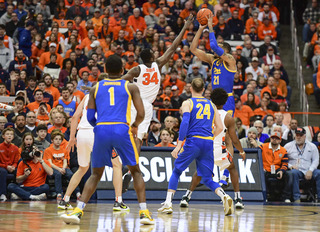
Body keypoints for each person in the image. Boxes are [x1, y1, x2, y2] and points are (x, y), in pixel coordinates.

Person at [60, 55, 154, 225]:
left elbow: (89, 116)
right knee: (136, 171)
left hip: (101, 130)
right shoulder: (130, 86)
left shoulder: (95, 87)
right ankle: (144, 213)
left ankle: (78, 211)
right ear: (122, 70)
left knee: (95, 173)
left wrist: (100, 126)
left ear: (104, 69)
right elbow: (141, 114)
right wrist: (134, 126)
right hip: (122, 129)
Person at [158, 78, 234, 216]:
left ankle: (168, 204)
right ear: (203, 90)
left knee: (176, 171)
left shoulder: (188, 103)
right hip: (207, 142)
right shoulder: (212, 105)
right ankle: (225, 197)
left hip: (193, 141)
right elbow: (220, 127)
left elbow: (185, 122)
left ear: (191, 89)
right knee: (207, 179)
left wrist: (179, 145)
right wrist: (210, 137)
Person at [122, 15, 193, 153]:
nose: (155, 52)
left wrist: (99, 86)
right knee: (139, 136)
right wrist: (184, 27)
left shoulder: (137, 69)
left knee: (130, 133)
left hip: (134, 103)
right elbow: (173, 48)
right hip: (145, 105)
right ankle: (133, 162)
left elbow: (118, 80)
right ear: (150, 57)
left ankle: (125, 158)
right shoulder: (157, 64)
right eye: (152, 52)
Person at [58, 80, 129, 212]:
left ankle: (65, 200)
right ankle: (118, 201)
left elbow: (74, 117)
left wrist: (72, 138)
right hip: (97, 133)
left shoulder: (86, 97)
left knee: (82, 168)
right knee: (117, 165)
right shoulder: (110, 98)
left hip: (82, 134)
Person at [179, 88, 246, 209]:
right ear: (225, 101)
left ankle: (186, 196)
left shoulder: (206, 111)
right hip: (220, 150)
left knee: (199, 172)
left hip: (205, 147)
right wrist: (241, 151)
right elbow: (235, 139)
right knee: (233, 168)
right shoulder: (228, 117)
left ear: (211, 98)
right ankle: (238, 199)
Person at [190, 14, 236, 116]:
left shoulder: (231, 60)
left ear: (226, 51)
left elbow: (214, 46)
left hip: (227, 98)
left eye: (220, 47)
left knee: (226, 127)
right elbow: (193, 49)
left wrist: (210, 27)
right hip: (214, 98)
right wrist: (200, 29)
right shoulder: (212, 60)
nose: (216, 49)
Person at [8, 133, 53, 200]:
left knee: (46, 187)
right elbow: (17, 180)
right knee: (10, 186)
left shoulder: (44, 162)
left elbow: (51, 173)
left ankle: (22, 195)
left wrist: (41, 161)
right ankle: (32, 196)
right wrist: (25, 176)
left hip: (38, 187)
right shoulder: (23, 162)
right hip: (25, 186)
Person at [284, 127, 320, 203]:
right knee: (293, 173)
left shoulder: (312, 146)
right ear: (294, 136)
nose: (299, 137)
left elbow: (316, 160)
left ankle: (319, 197)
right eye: (297, 135)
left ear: (305, 136)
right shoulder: (288, 146)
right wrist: (290, 166)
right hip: (297, 170)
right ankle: (297, 198)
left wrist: (310, 170)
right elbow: (283, 161)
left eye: (301, 135)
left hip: (309, 170)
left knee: (319, 173)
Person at [44, 130, 80, 202]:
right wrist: (59, 169)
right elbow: (50, 163)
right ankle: (59, 193)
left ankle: (77, 193)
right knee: (58, 174)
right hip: (53, 168)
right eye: (56, 139)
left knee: (71, 174)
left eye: (60, 139)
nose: (58, 141)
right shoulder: (48, 150)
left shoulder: (64, 150)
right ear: (52, 140)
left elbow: (65, 162)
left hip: (63, 167)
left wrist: (63, 168)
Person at [259, 131, 289, 201]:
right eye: (273, 138)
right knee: (262, 174)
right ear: (270, 139)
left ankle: (285, 197)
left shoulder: (283, 150)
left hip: (277, 170)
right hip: (265, 169)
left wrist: (282, 171)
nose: (274, 139)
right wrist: (261, 168)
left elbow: (285, 163)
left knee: (288, 175)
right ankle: (264, 196)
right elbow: (256, 157)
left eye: (277, 138)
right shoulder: (262, 147)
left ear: (280, 140)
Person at [0, 128, 20, 201]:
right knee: (3, 172)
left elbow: (16, 161)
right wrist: (6, 166)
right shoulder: (0, 147)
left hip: (11, 167)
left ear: (13, 137)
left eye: (11, 134)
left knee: (19, 171)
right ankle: (3, 194)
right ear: (3, 136)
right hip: (2, 167)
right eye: (7, 134)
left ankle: (17, 192)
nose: (9, 136)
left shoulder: (15, 148)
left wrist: (14, 167)